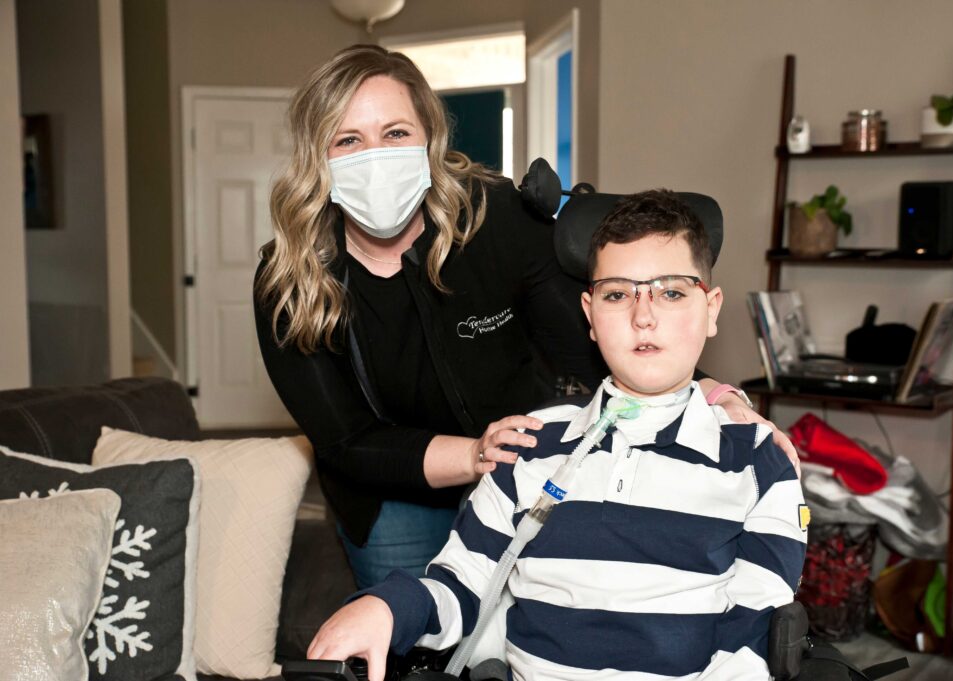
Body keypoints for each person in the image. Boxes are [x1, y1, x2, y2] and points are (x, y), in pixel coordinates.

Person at [254, 44, 797, 590]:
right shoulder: (288, 280)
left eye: (395, 133)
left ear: (429, 140)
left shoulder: (495, 220)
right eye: (349, 139)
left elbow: (591, 340)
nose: (375, 155)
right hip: (393, 491)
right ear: (317, 157)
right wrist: (472, 454)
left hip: (526, 463)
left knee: (531, 622)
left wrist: (718, 398)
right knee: (413, 632)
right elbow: (346, 440)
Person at [306, 190, 809, 680]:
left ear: (711, 308)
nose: (643, 315)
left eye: (672, 292)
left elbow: (752, 635)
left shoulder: (759, 462)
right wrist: (386, 607)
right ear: (589, 316)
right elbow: (460, 585)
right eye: (618, 294)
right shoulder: (531, 445)